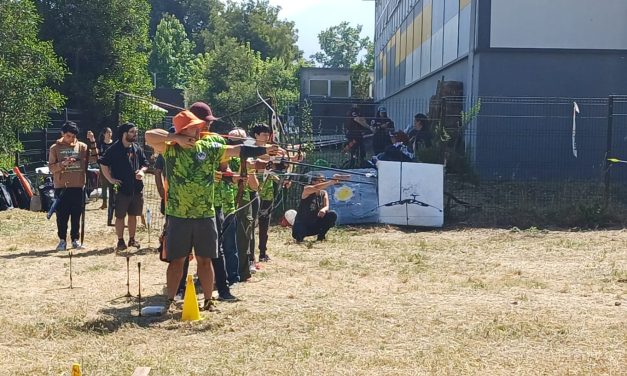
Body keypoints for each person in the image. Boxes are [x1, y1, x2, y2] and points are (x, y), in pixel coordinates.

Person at [146, 110, 277, 310]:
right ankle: (170, 301)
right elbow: (149, 136)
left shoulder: (208, 146)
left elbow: (237, 150)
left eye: (199, 126)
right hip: (178, 214)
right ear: (183, 130)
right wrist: (176, 138)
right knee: (177, 261)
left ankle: (208, 301)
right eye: (193, 127)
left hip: (205, 214)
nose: (199, 129)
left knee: (205, 259)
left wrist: (264, 149)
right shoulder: (169, 148)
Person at [48, 121, 98, 250]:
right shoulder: (55, 148)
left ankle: (75, 239)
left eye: (74, 136)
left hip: (78, 185)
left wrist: (92, 141)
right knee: (62, 215)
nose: (71, 139)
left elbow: (94, 159)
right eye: (69, 136)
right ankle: (62, 240)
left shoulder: (82, 147)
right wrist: (62, 164)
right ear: (63, 134)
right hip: (62, 187)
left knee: (77, 214)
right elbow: (51, 168)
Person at [99, 122, 148, 251]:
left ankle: (132, 239)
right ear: (124, 134)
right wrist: (110, 179)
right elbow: (103, 163)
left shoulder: (137, 148)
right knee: (120, 216)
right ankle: (120, 241)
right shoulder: (114, 149)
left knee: (133, 215)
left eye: (135, 132)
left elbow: (145, 163)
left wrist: (142, 171)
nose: (135, 134)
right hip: (121, 189)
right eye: (132, 132)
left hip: (136, 188)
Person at [292, 174, 346, 243]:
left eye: (324, 180)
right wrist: (331, 182)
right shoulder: (307, 189)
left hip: (315, 224)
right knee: (299, 235)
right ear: (314, 182)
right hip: (303, 224)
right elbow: (315, 187)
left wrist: (323, 209)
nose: (323, 182)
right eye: (321, 180)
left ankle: (321, 237)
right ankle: (300, 238)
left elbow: (326, 206)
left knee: (332, 214)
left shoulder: (323, 193)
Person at [97, 127, 114, 211]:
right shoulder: (101, 144)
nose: (110, 134)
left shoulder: (114, 143)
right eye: (108, 132)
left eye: (110, 132)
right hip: (103, 166)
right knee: (104, 184)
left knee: (112, 183)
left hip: (113, 166)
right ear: (104, 134)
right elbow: (99, 154)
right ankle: (104, 202)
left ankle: (112, 201)